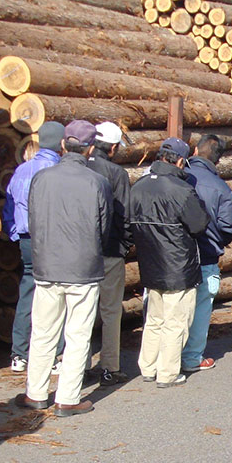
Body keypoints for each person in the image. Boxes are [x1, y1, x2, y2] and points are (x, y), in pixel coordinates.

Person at [16, 120, 112, 417]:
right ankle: (68, 397)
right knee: (77, 334)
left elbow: (33, 221)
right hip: (83, 268)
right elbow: (104, 228)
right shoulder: (97, 182)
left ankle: (36, 392)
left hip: (47, 265)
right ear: (90, 148)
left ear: (63, 145)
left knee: (43, 332)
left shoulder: (41, 178)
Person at [130, 138, 210, 388]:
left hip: (150, 262)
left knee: (154, 319)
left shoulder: (139, 186)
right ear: (179, 161)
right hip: (178, 265)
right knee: (176, 321)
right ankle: (167, 373)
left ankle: (148, 366)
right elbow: (199, 224)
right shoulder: (181, 190)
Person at [3, 122, 64, 373]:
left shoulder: (21, 170)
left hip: (27, 240)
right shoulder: (57, 169)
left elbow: (9, 207)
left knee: (28, 290)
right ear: (61, 143)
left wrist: (15, 234)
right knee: (55, 294)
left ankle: (19, 354)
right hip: (51, 239)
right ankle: (54, 355)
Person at [182, 134, 232, 372]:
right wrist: (217, 242)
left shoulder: (180, 177)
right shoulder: (220, 187)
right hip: (207, 256)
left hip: (176, 257)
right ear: (219, 159)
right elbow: (228, 226)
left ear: (195, 150)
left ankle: (163, 360)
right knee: (201, 309)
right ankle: (192, 357)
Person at [85, 121, 133, 386]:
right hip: (110, 250)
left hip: (80, 252)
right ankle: (109, 367)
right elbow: (125, 214)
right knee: (111, 310)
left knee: (81, 311)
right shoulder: (116, 173)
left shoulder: (80, 167)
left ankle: (79, 367)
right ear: (113, 147)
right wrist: (125, 245)